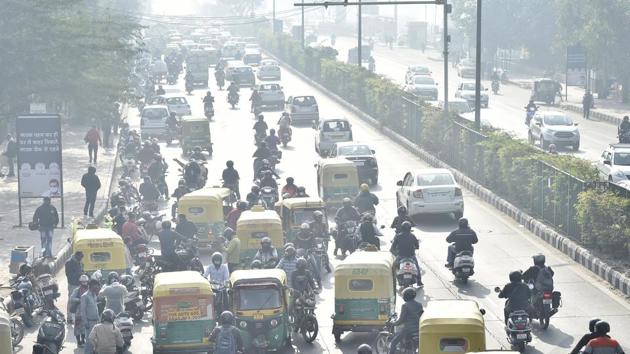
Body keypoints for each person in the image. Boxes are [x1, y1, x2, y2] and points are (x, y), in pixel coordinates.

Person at [387, 287, 423, 354]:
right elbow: (421, 317)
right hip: (418, 329)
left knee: (393, 342)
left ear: (406, 296)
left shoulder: (405, 305)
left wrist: (392, 323)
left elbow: (401, 320)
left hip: (408, 330)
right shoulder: (419, 305)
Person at [390, 221, 423, 287]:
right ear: (410, 228)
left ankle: (392, 282)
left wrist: (395, 251)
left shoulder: (398, 236)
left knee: (393, 267)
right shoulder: (412, 236)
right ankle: (419, 282)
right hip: (411, 256)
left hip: (401, 256)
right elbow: (417, 246)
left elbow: (393, 247)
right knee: (417, 267)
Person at [80, 279, 101, 354]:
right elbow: (83, 311)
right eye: (96, 285)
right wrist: (86, 323)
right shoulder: (85, 296)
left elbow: (95, 308)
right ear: (91, 286)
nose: (98, 287)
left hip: (96, 321)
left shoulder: (94, 295)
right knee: (89, 342)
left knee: (96, 341)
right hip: (89, 322)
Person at [70, 274, 90, 345]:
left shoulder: (89, 289)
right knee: (78, 327)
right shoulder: (77, 290)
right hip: (79, 311)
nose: (84, 283)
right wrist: (80, 299)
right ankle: (78, 341)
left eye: (85, 282)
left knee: (85, 326)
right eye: (83, 282)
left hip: (87, 311)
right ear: (80, 282)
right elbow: (71, 298)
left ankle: (83, 340)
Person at [65, 251, 84, 323]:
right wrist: (79, 275)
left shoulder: (80, 263)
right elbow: (69, 275)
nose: (81, 259)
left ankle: (78, 316)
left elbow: (82, 270)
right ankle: (69, 317)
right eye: (80, 257)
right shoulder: (69, 263)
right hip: (72, 284)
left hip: (80, 284)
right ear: (77, 256)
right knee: (71, 300)